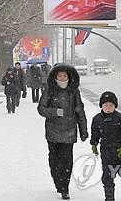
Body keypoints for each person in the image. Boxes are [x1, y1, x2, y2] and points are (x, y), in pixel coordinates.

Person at [38, 64, 88, 200]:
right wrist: (54, 112)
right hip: (53, 132)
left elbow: (80, 111)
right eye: (59, 75)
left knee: (67, 161)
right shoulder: (49, 91)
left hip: (69, 131)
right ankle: (57, 181)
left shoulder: (74, 92)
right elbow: (41, 108)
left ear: (69, 77)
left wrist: (83, 129)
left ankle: (64, 187)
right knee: (54, 159)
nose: (62, 78)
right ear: (55, 77)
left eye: (64, 75)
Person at [90, 91, 121, 201]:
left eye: (111, 105)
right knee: (107, 175)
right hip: (106, 150)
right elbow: (95, 132)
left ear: (115, 106)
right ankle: (109, 197)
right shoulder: (97, 119)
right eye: (105, 105)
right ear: (101, 106)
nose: (108, 107)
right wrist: (94, 143)